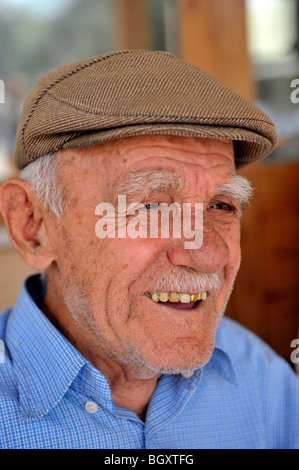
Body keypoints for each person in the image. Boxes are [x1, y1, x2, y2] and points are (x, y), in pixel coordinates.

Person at [0, 50, 298, 449]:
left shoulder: (260, 375)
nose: (209, 254)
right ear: (31, 225)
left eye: (221, 206)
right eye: (153, 206)